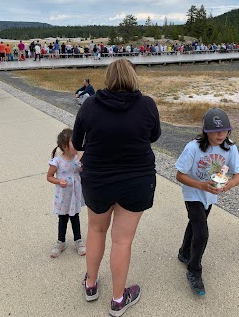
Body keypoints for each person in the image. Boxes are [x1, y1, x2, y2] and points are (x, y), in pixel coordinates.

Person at [72, 59, 161, 315]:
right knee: (122, 241)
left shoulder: (90, 105)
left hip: (98, 179)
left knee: (96, 231)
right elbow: (154, 136)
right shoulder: (147, 105)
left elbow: (77, 142)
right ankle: (119, 300)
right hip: (137, 180)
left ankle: (90, 285)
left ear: (108, 77)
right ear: (133, 77)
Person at [176, 108, 239, 295]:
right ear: (206, 131)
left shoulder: (230, 147)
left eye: (224, 130)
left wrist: (229, 185)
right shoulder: (193, 148)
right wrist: (200, 185)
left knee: (196, 224)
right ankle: (194, 270)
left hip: (210, 194)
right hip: (193, 193)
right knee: (202, 232)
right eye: (215, 131)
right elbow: (179, 175)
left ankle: (184, 252)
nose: (220, 134)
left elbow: (238, 175)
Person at [46, 128, 86, 258]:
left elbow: (83, 171)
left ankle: (78, 241)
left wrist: (82, 162)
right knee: (63, 219)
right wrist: (58, 181)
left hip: (74, 195)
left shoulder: (77, 158)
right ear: (64, 146)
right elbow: (49, 176)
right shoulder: (57, 161)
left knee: (75, 218)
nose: (78, 144)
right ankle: (60, 242)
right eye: (74, 142)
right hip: (63, 196)